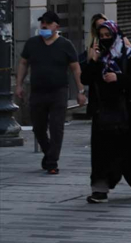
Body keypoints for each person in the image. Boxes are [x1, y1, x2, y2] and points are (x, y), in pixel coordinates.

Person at [82, 20, 131, 203]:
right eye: (102, 36)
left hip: (129, 113)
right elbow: (86, 78)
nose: (106, 39)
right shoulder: (97, 55)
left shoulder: (130, 55)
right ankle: (100, 189)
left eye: (109, 35)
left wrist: (118, 78)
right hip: (104, 112)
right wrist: (93, 61)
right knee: (102, 154)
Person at [15, 11, 86, 175]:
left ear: (56, 26)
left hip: (58, 91)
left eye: (48, 23)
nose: (44, 26)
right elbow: (23, 63)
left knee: (56, 127)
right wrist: (18, 84)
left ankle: (52, 162)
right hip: (38, 91)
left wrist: (81, 91)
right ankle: (48, 153)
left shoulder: (65, 45)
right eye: (42, 23)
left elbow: (76, 68)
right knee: (38, 128)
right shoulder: (32, 43)